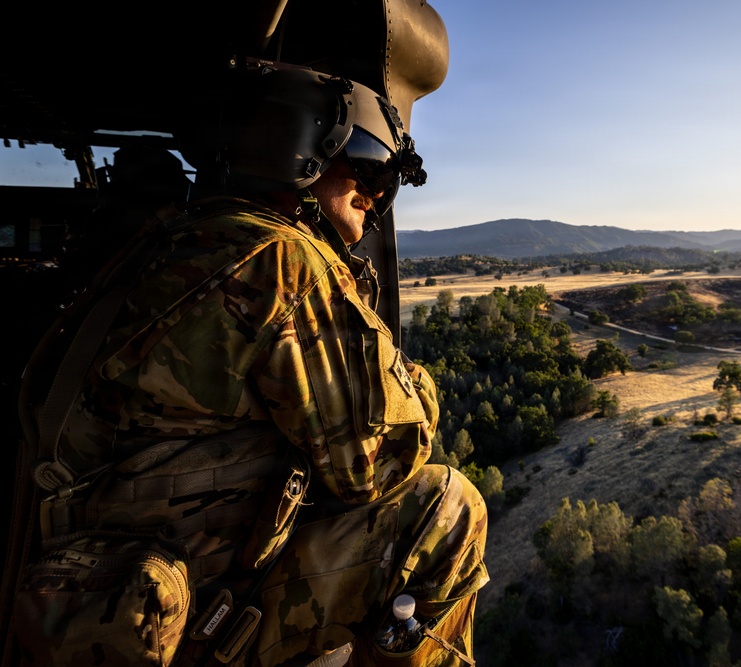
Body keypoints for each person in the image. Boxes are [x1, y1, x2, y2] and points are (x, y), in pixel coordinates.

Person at [9, 65, 488, 667]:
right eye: (366, 167)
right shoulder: (281, 260)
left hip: (98, 570)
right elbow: (375, 464)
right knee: (448, 507)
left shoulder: (181, 238)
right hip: (178, 603)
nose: (375, 193)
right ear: (299, 150)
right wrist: (418, 386)